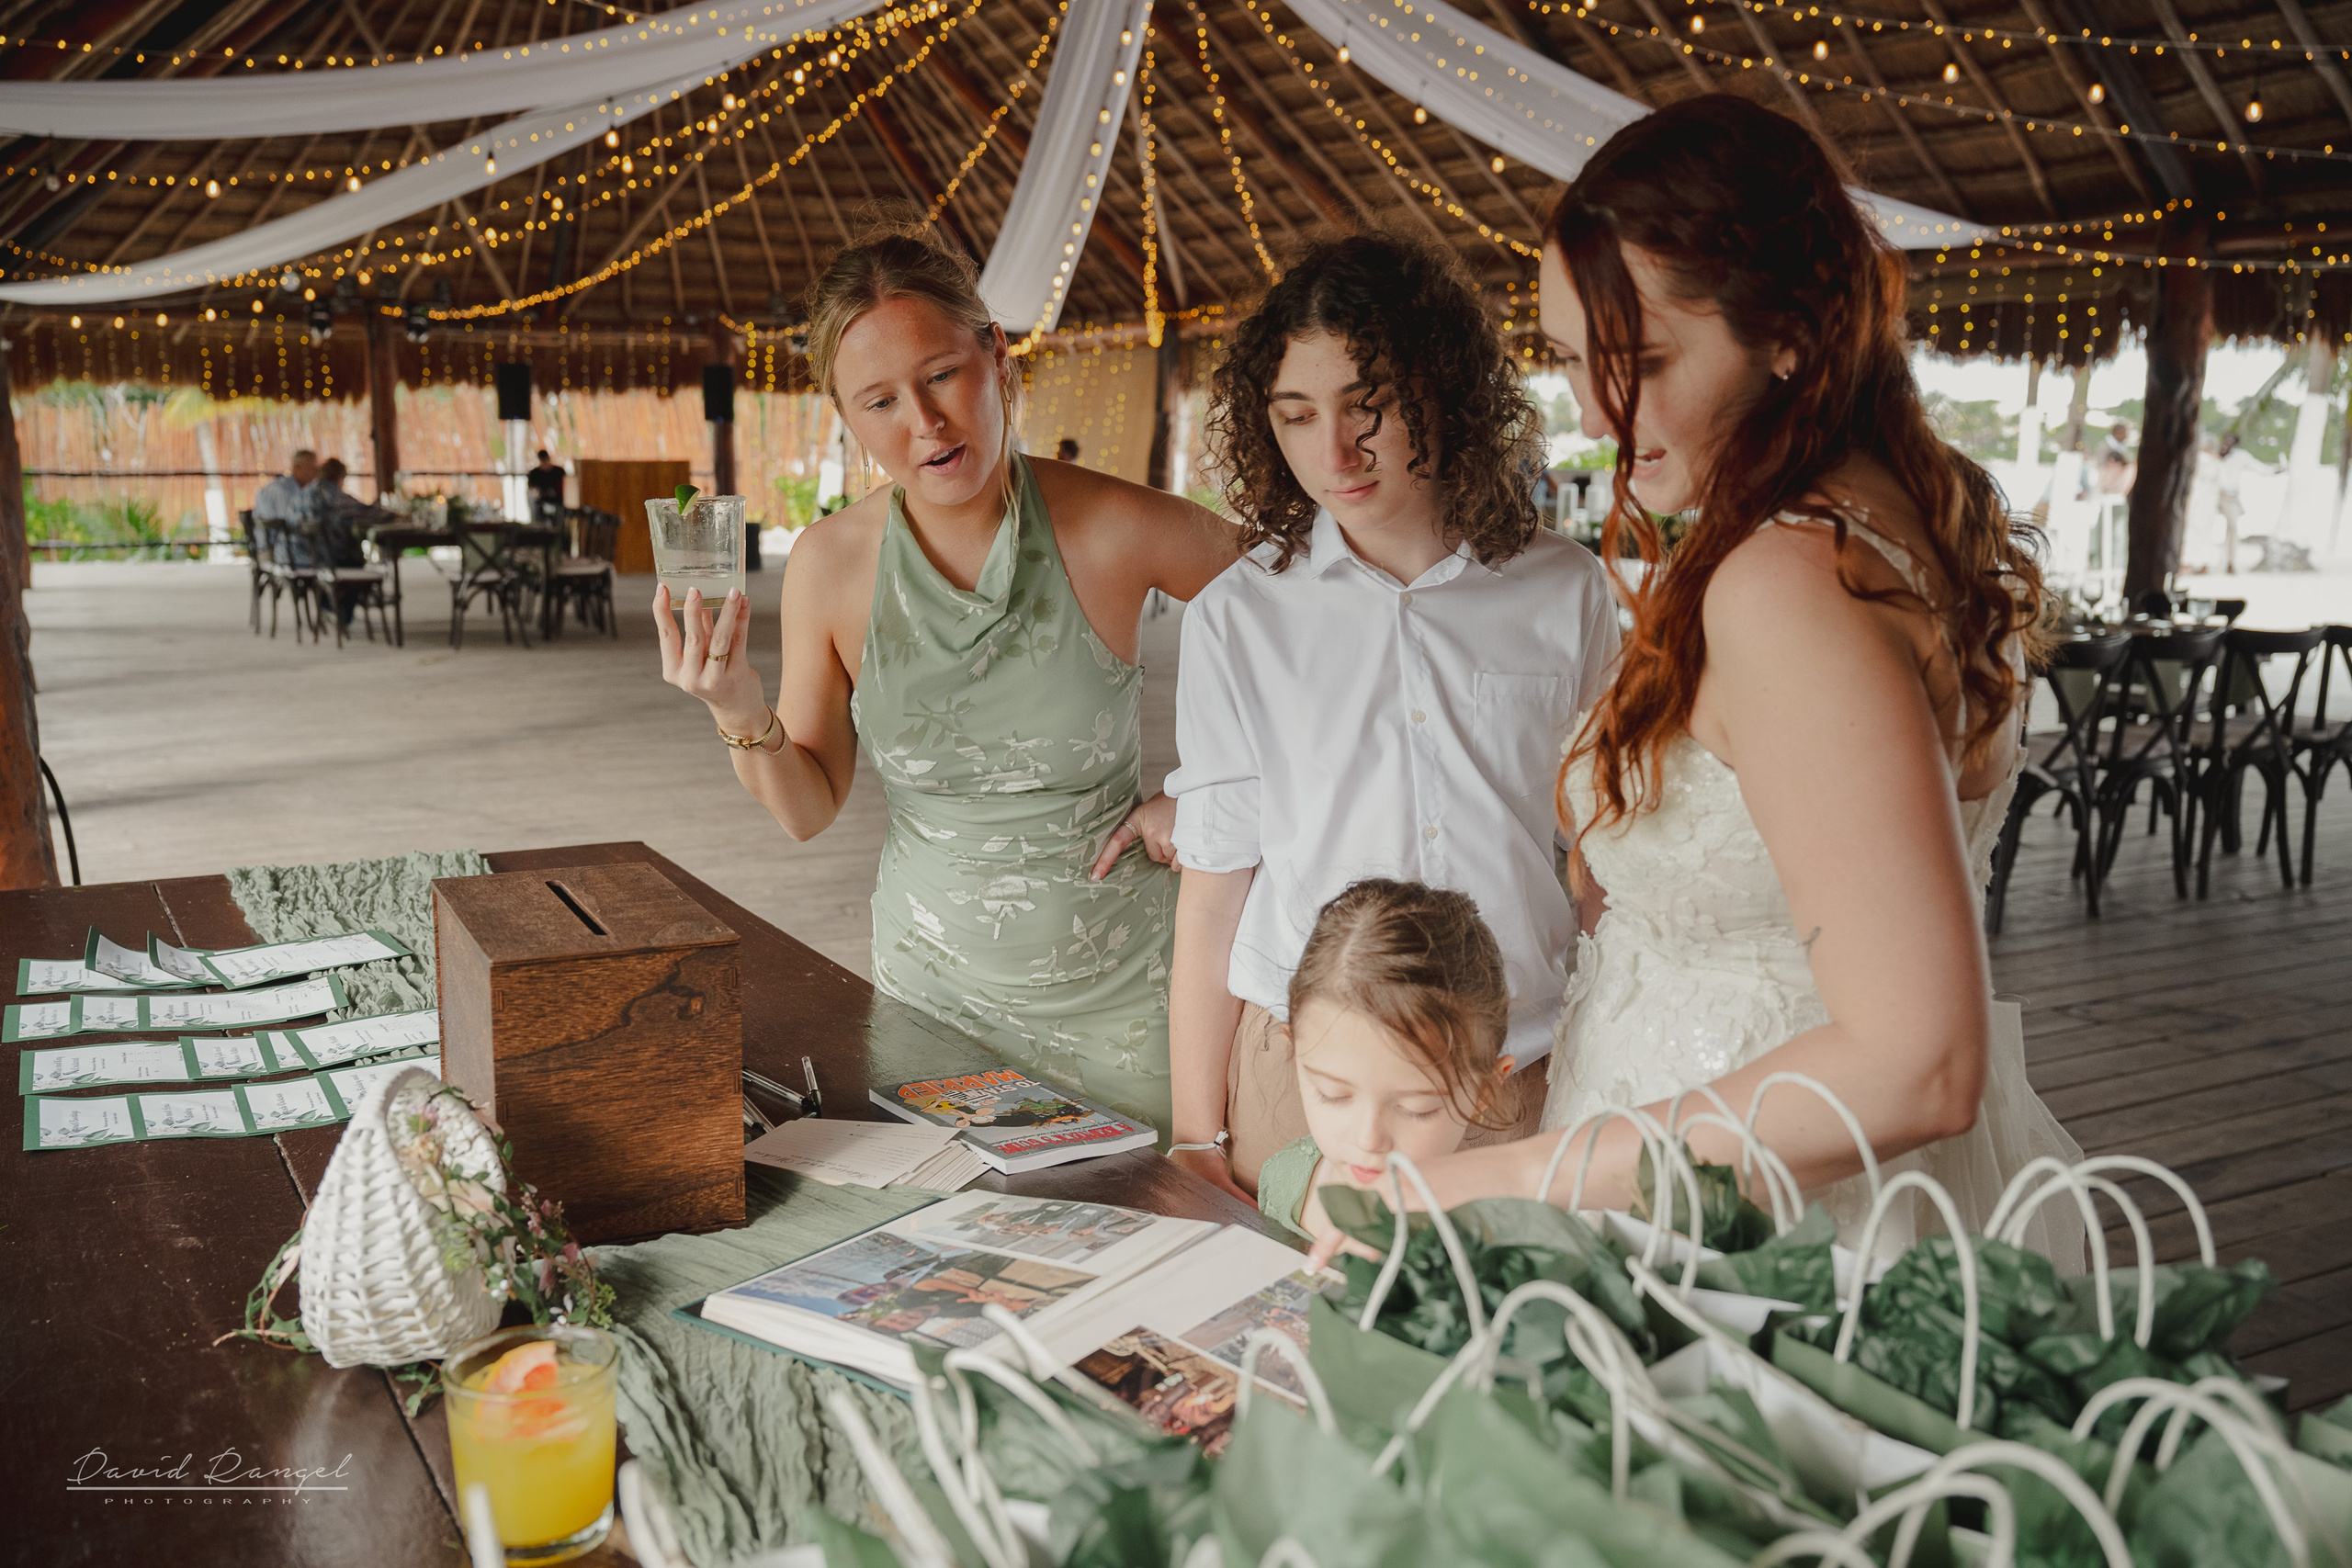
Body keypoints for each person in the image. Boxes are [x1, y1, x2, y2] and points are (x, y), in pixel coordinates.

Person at [1317, 95, 2083, 1270]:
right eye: (1575, 365)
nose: (1592, 416)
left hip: (1746, 1222)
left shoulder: (1788, 581)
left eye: (1642, 362)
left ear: (1788, 333)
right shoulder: (1897, 512)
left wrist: (1503, 1178)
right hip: (1734, 1158)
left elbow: (1915, 1060)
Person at [654, 226, 1236, 1134]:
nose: (923, 423)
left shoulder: (1116, 524)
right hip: (935, 1003)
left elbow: (1318, 616)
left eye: (939, 375)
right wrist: (738, 709)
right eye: (879, 400)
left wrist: (1210, 795)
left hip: (1128, 998)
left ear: (994, 356)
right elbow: (807, 809)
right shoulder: (831, 565)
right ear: (848, 419)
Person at [1163, 231, 1619, 1201]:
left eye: (1366, 408)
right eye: (1295, 417)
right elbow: (1213, 894)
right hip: (1307, 1082)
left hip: (1517, 1074)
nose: (1333, 454)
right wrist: (1194, 1134)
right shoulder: (1236, 620)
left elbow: (1601, 861)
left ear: (1442, 393)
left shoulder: (1564, 590)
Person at [1252, 880, 1521, 1245]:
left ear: (1484, 1090)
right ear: (1295, 1052)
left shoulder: (1493, 1235)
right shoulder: (1288, 1176)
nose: (1369, 1139)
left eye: (1416, 1108)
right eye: (1332, 1094)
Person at [251, 448, 318, 529]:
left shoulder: (302, 490)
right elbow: (290, 525)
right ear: (297, 467)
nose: (316, 472)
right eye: (311, 468)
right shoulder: (284, 490)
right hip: (278, 540)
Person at [527, 449, 568, 524]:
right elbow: (532, 490)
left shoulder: (559, 472)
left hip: (558, 501)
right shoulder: (534, 474)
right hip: (540, 502)